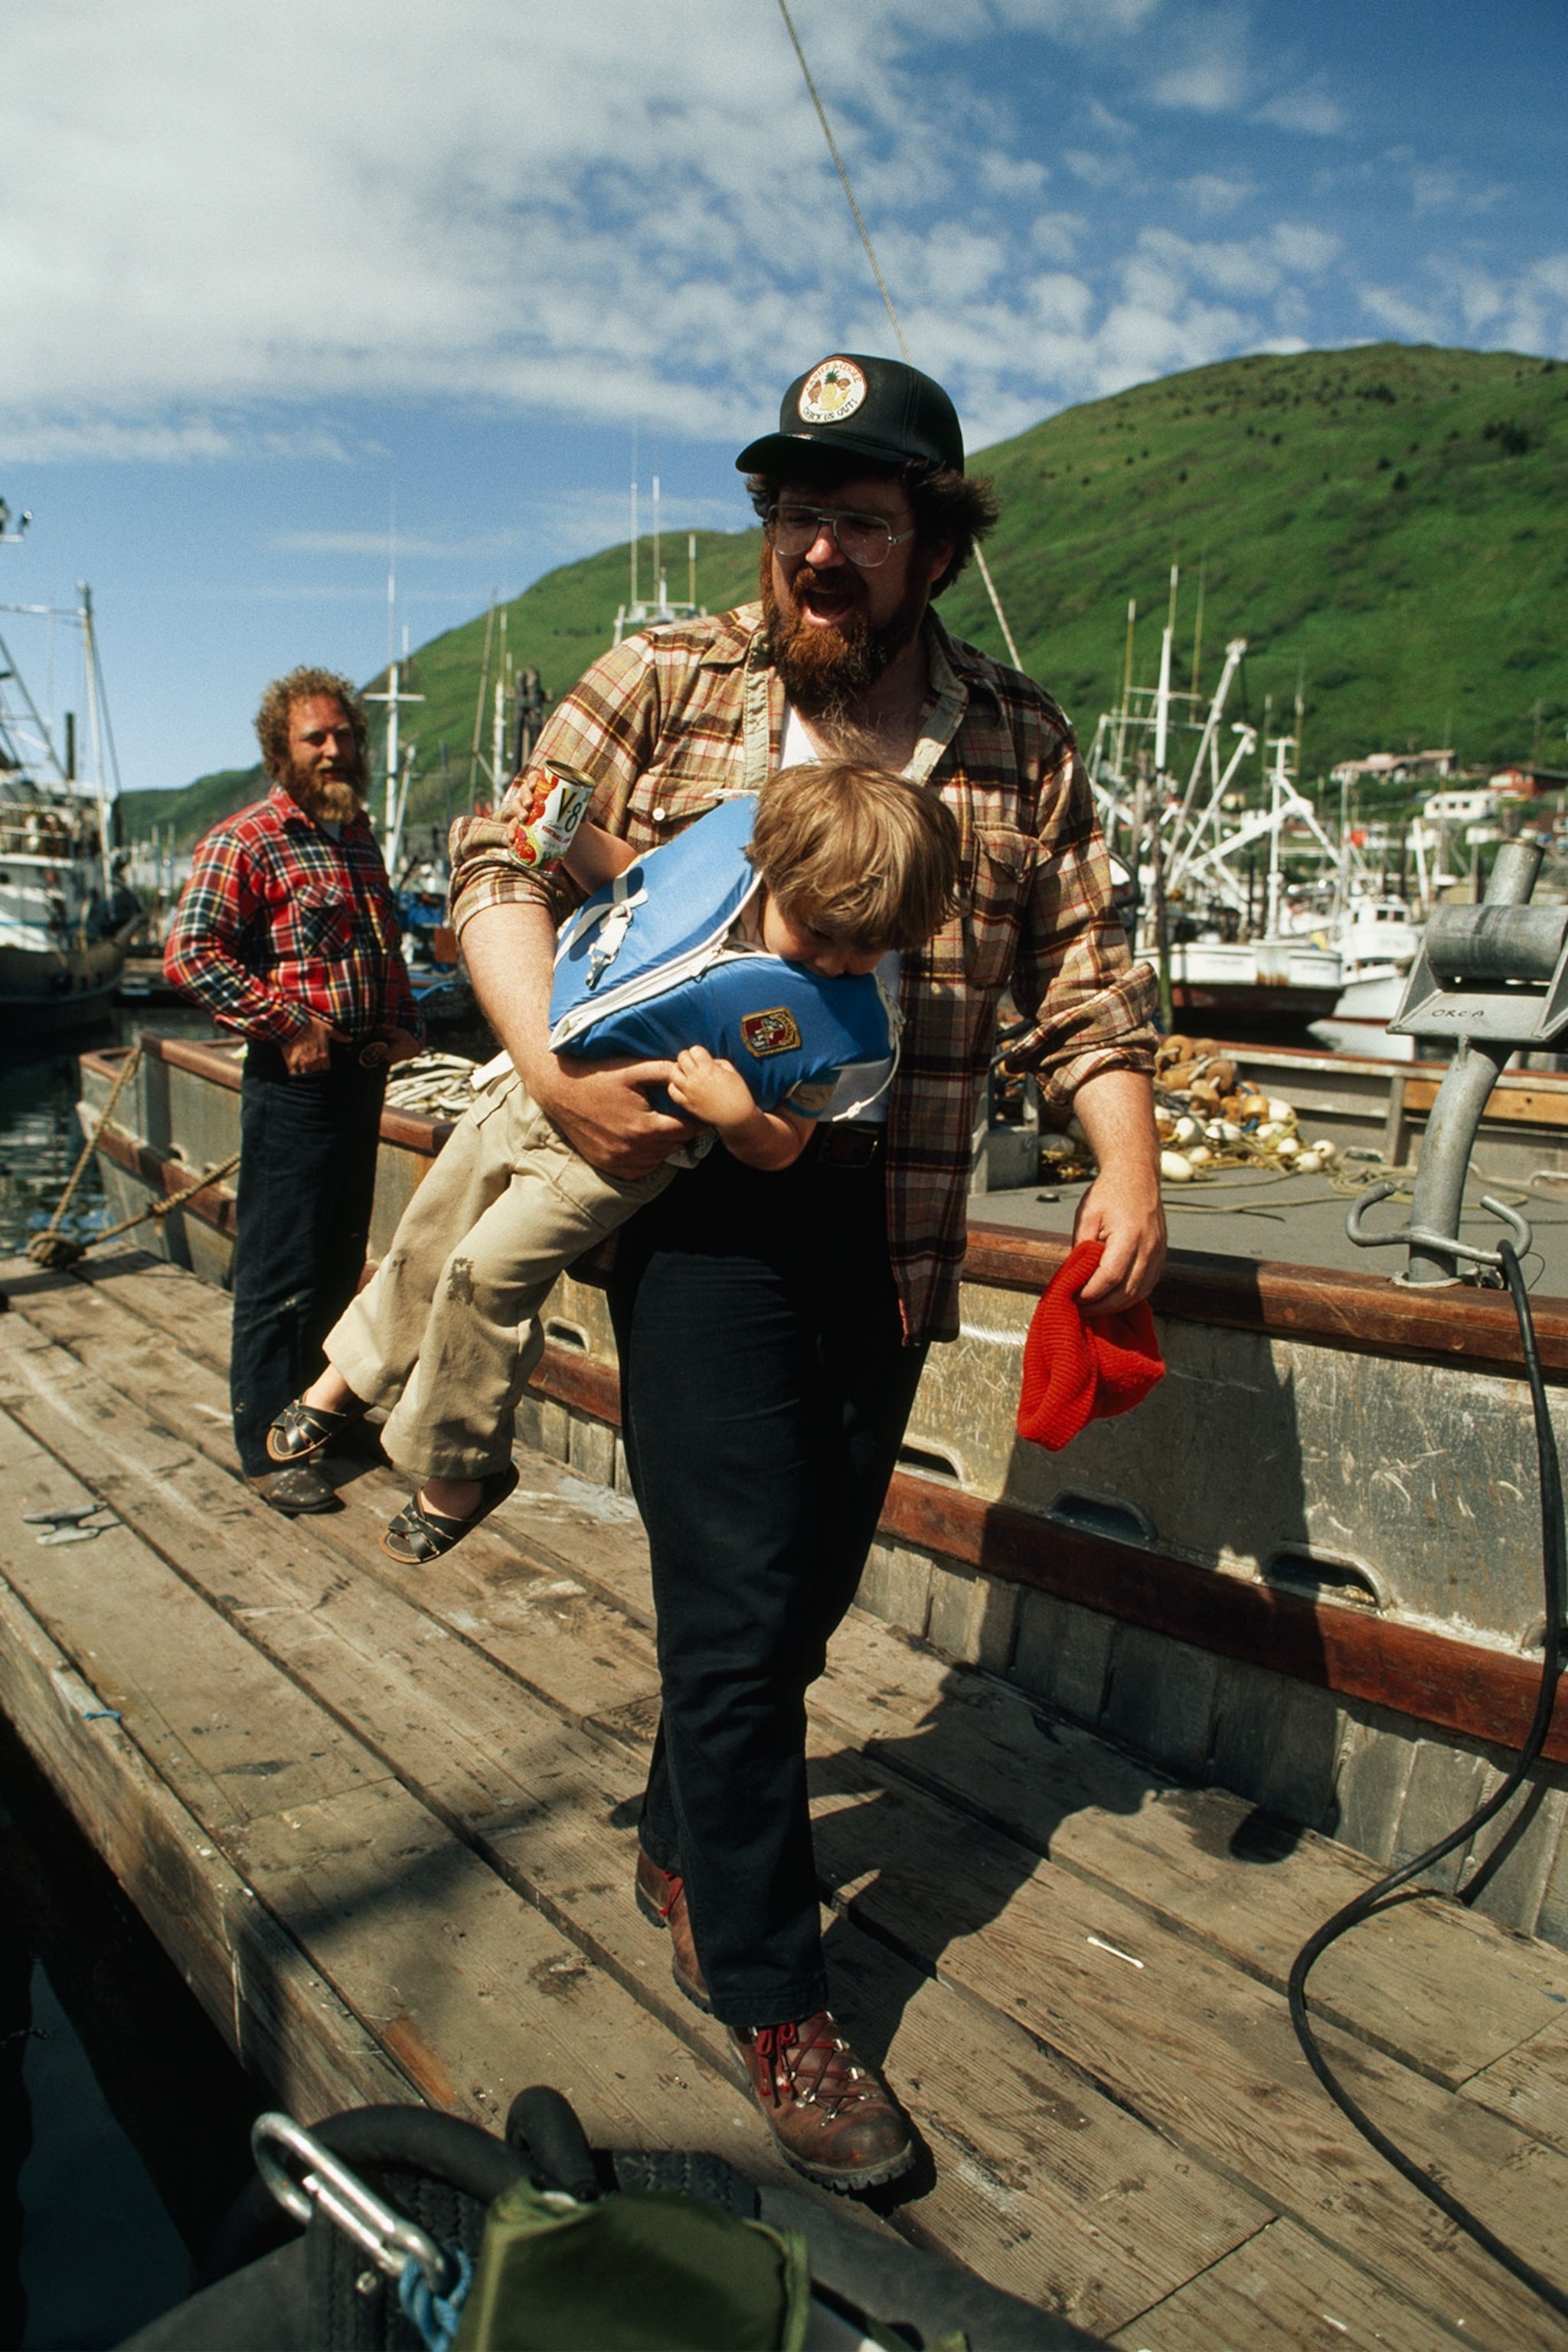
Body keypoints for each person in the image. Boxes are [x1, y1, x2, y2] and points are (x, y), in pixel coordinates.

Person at [449, 351, 1165, 2192]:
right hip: (694, 1214)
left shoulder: (1019, 737)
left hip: (892, 1222)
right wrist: (548, 1069)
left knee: (802, 1589)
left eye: (857, 515)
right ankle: (774, 1988)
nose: (814, 549)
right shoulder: (665, 675)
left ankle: (689, 1835)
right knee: (740, 1595)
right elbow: (498, 858)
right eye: (791, 511)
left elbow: (1080, 986)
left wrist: (1126, 1164)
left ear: (931, 538)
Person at [266, 760, 960, 1566]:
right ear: (771, 873)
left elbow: (788, 1145)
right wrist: (563, 830)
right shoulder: (722, 887)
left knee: (483, 1276)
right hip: (526, 1090)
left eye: (868, 947)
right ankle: (343, 1382)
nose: (839, 964)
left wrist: (738, 1116)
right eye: (819, 935)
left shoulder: (831, 1022)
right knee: (431, 1226)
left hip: (609, 1158)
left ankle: (459, 1470)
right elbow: (629, 876)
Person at [164, 668, 422, 1514]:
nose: (336, 749)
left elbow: (380, 945)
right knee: (279, 1267)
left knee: (335, 1258)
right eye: (317, 738)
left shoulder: (357, 834)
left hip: (360, 1082)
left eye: (345, 735)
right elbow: (192, 953)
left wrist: (404, 1020)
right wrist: (289, 1025)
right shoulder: (249, 838)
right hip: (295, 1086)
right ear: (282, 751)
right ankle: (266, 1452)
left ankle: (315, 1419)